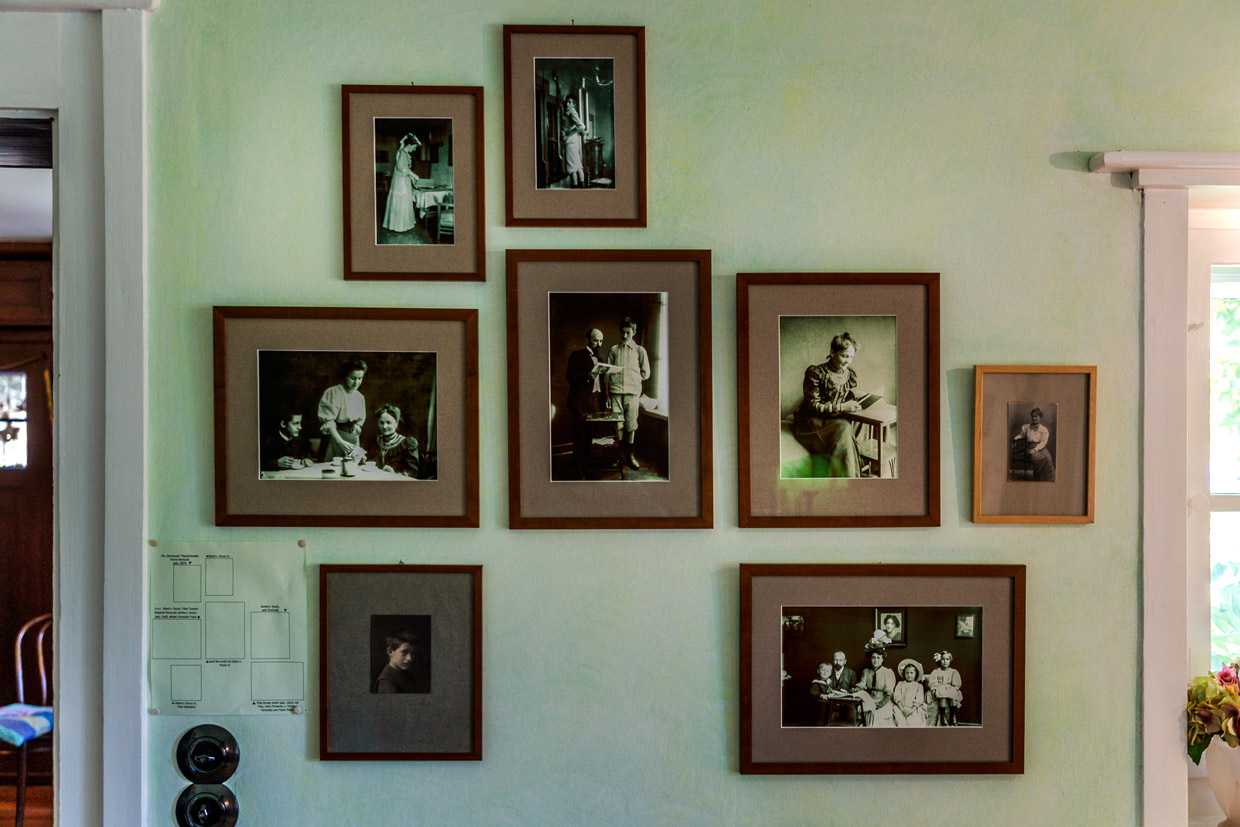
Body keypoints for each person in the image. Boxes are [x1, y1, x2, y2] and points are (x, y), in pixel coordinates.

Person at [791, 333, 863, 478]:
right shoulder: (816, 372)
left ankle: (851, 475)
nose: (847, 361)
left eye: (851, 357)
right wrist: (842, 407)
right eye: (844, 356)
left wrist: (855, 403)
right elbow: (812, 405)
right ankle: (845, 479)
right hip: (811, 421)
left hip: (833, 419)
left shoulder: (850, 375)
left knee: (851, 425)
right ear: (832, 353)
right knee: (843, 427)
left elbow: (848, 397)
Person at [605, 317, 651, 471]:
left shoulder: (640, 351)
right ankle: (619, 457)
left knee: (630, 425)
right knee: (617, 427)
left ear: (634, 332)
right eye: (622, 332)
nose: (624, 336)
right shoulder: (614, 350)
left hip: (632, 394)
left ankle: (630, 456)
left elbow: (646, 373)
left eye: (627, 332)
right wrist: (608, 395)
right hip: (616, 393)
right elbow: (607, 374)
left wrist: (634, 380)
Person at [565, 328, 610, 479]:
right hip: (580, 402)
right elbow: (570, 376)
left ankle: (589, 468)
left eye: (601, 341)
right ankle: (578, 471)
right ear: (588, 339)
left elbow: (602, 383)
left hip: (596, 401)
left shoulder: (601, 359)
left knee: (592, 437)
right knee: (579, 438)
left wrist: (606, 398)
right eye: (596, 340)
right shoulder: (576, 356)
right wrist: (588, 376)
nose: (599, 343)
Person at [317, 358, 368, 462]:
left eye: (360, 378)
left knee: (352, 468)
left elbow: (356, 427)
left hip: (351, 439)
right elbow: (329, 422)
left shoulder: (360, 397)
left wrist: (357, 449)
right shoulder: (334, 392)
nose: (357, 382)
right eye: (353, 378)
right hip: (334, 438)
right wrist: (341, 443)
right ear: (345, 376)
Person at [367, 403, 421, 478]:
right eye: (381, 423)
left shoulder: (407, 443)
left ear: (396, 423)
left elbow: (414, 472)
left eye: (388, 422)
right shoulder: (374, 441)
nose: (384, 426)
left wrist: (395, 474)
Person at [382, 133, 421, 234]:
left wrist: (412, 179)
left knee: (404, 200)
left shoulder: (403, 152)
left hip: (404, 180)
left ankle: (404, 224)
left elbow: (405, 169)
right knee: (401, 200)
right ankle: (399, 225)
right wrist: (414, 175)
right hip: (401, 182)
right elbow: (402, 168)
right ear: (410, 145)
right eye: (415, 147)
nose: (415, 149)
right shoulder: (403, 153)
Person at [854, 642, 896, 727]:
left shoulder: (887, 672)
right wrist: (856, 689)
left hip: (883, 700)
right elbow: (862, 684)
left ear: (882, 659)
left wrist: (881, 704)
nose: (875, 660)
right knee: (860, 711)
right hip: (870, 699)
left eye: (878, 658)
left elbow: (889, 693)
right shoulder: (866, 671)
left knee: (878, 714)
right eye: (873, 658)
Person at [1015, 406, 1055, 481]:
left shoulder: (1043, 429)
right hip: (1029, 448)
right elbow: (1022, 435)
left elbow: (1043, 442)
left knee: (1048, 458)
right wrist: (1015, 438)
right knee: (1041, 458)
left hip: (1040, 447)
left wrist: (1035, 449)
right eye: (1033, 417)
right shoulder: (1027, 427)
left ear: (1040, 417)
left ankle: (1047, 479)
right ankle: (1038, 478)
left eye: (1036, 417)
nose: (1034, 418)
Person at [927, 650, 964, 726]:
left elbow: (956, 684)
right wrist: (934, 689)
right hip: (940, 689)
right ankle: (943, 716)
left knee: (952, 694)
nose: (945, 661)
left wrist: (954, 688)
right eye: (943, 659)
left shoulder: (953, 672)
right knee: (942, 695)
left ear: (950, 660)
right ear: (940, 660)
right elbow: (933, 682)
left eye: (947, 659)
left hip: (950, 689)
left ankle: (953, 716)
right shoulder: (936, 672)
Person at [892, 659, 928, 727]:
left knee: (914, 723)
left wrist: (911, 710)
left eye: (911, 673)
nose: (909, 675)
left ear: (915, 674)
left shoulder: (918, 686)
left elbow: (919, 700)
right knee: (900, 722)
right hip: (901, 708)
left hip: (913, 710)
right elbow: (897, 697)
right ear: (904, 673)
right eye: (907, 672)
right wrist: (902, 709)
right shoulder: (900, 684)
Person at [562, 97, 587, 187]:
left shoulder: (572, 112)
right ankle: (582, 189)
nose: (567, 104)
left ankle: (576, 190)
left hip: (570, 142)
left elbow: (582, 126)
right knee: (577, 166)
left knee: (573, 169)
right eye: (567, 102)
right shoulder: (569, 112)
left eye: (570, 102)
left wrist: (569, 133)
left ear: (574, 104)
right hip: (573, 142)